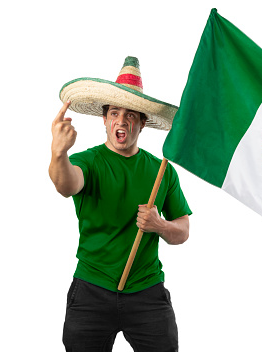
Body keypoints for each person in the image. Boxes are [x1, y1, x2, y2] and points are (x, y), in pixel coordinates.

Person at [49, 56, 191, 352]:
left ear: (142, 122)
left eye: (130, 114)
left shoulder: (161, 170)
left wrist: (159, 225)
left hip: (147, 292)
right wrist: (59, 154)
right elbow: (66, 184)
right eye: (115, 113)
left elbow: (183, 230)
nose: (122, 120)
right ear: (104, 119)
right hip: (91, 290)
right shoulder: (88, 161)